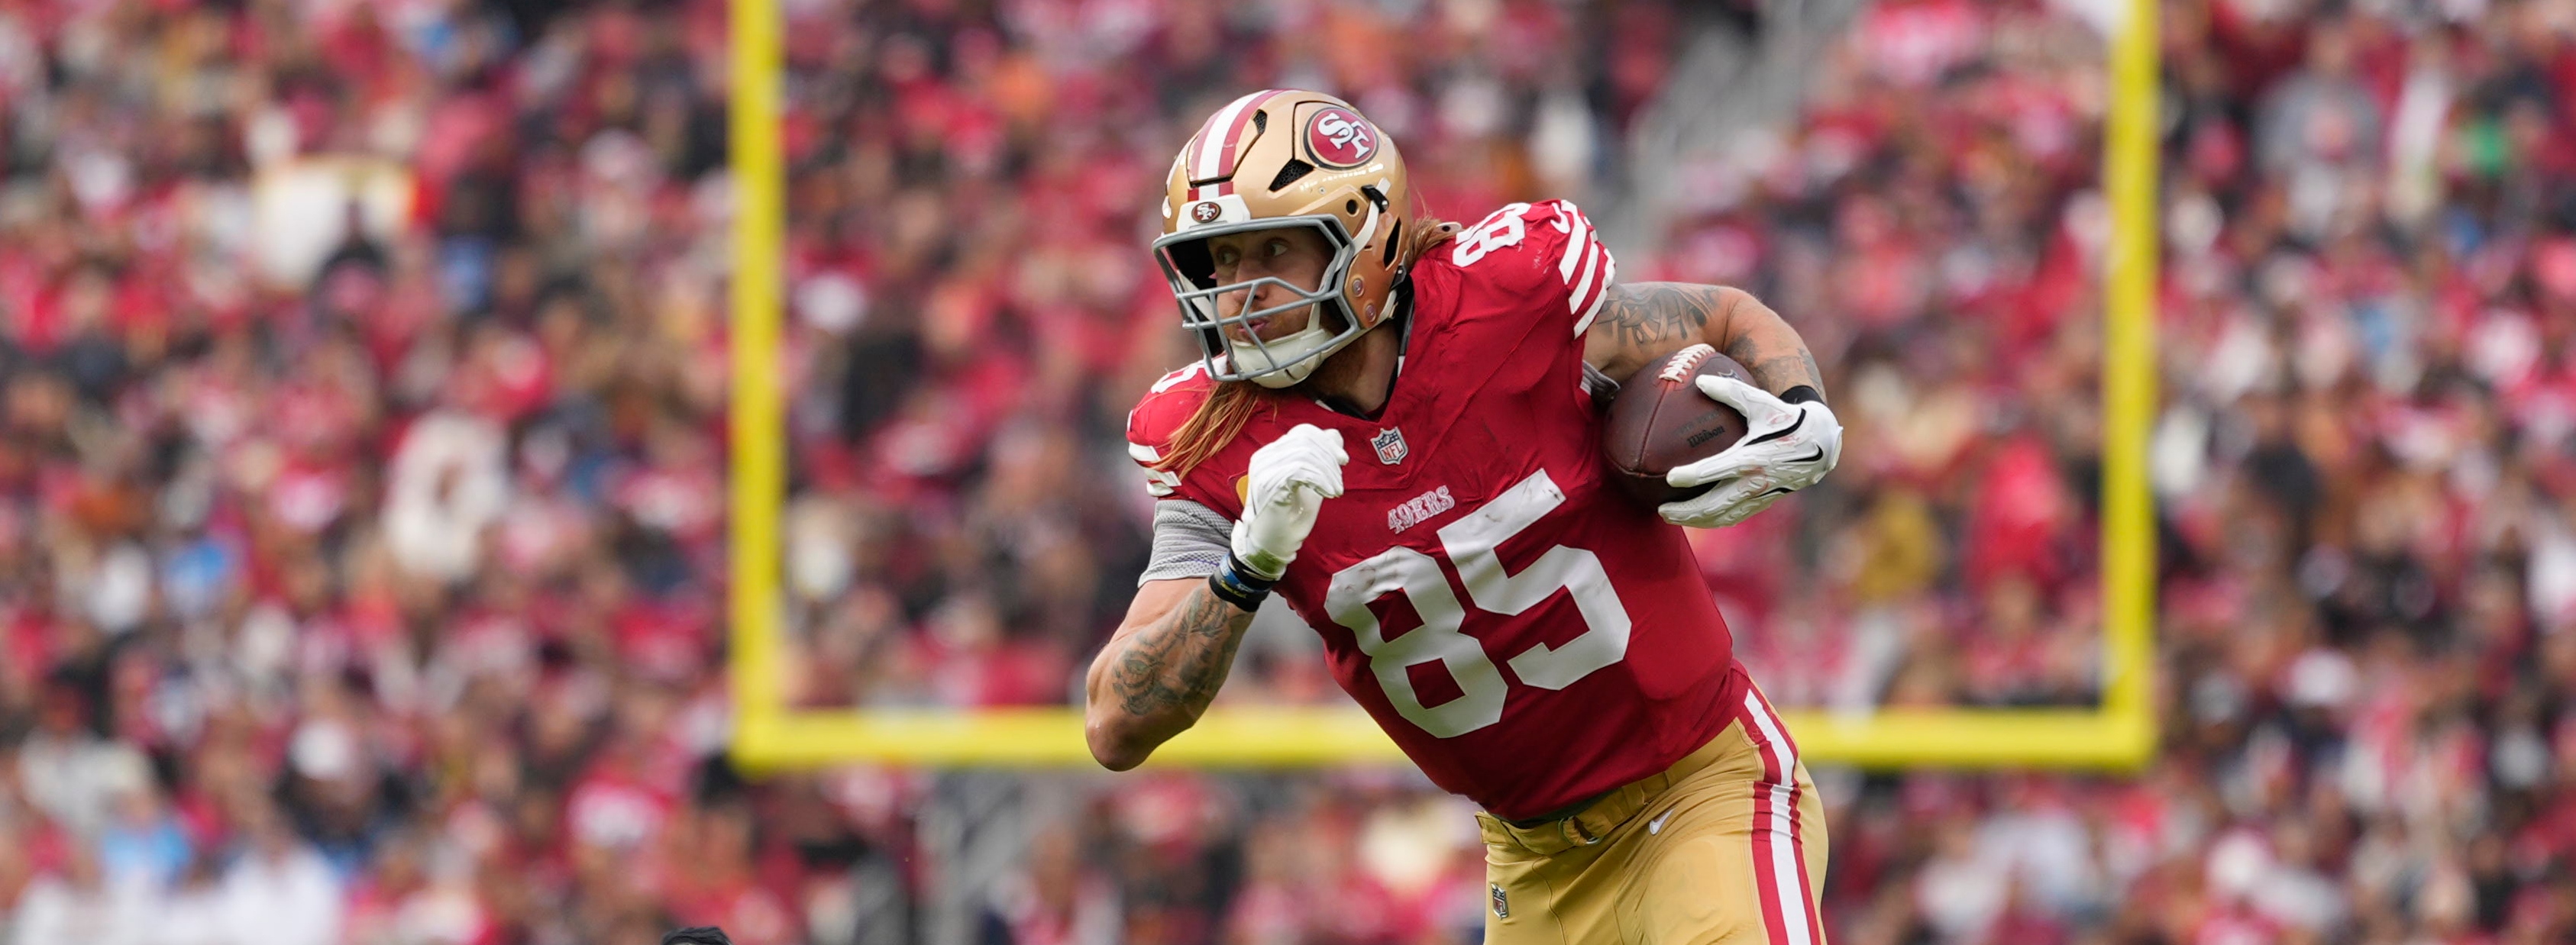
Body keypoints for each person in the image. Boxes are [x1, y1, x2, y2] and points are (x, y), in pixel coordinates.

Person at [1086, 90, 1846, 944]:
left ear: (1365, 241)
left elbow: (1725, 314)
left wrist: (1800, 408)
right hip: (1530, 863)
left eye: (1272, 250)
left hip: (1702, 788)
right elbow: (1115, 722)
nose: (1238, 289)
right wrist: (1246, 566)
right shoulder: (1212, 441)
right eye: (1217, 261)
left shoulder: (1510, 300)